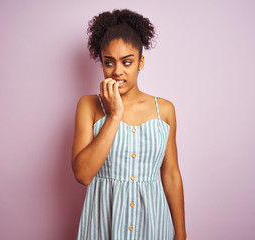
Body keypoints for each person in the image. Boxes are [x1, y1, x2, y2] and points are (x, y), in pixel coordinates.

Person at [71, 9, 187, 240]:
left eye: (127, 62)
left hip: (154, 223)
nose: (117, 71)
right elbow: (83, 175)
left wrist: (181, 234)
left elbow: (171, 174)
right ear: (102, 62)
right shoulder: (88, 106)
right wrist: (114, 116)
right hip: (103, 224)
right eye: (109, 62)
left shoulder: (164, 110)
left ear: (140, 62)